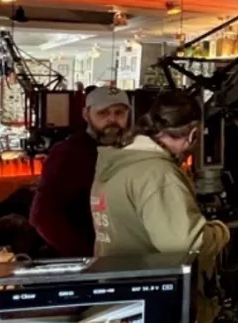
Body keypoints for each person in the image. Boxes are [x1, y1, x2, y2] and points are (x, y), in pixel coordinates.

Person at [90, 89, 209, 257]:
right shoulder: (157, 174)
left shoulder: (118, 162)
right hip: (146, 273)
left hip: (115, 271)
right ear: (193, 134)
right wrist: (219, 232)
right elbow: (185, 245)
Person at [31, 87, 131, 257]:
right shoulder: (68, 154)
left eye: (119, 113)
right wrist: (86, 254)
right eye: (103, 113)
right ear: (86, 114)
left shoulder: (129, 152)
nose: (112, 119)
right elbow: (43, 216)